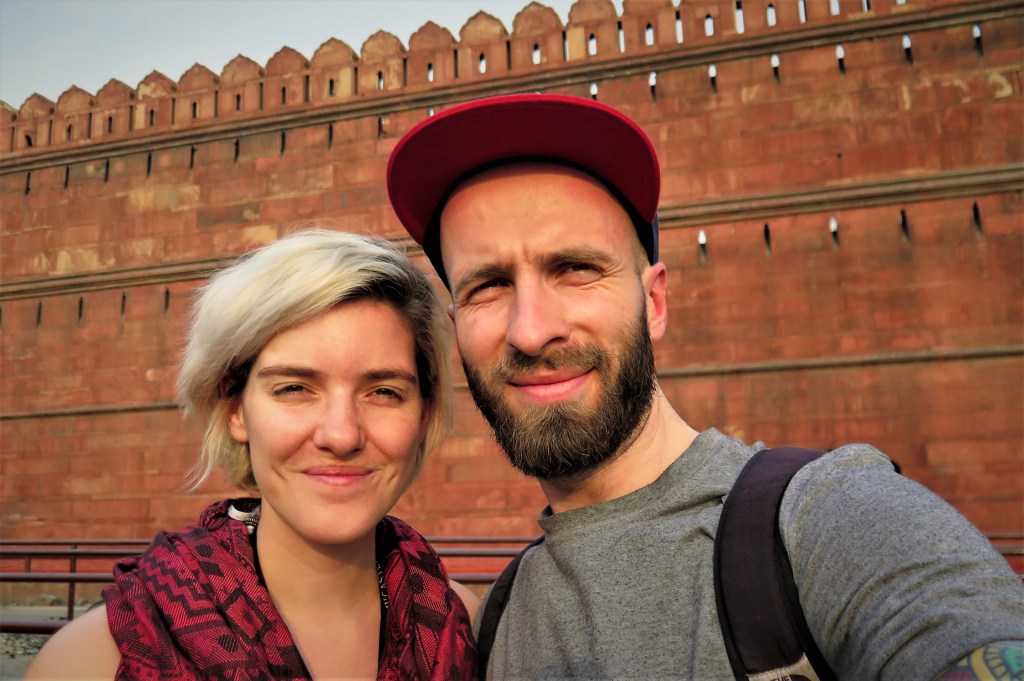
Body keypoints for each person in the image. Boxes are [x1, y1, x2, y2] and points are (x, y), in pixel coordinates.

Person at [386, 94, 1024, 680]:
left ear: (654, 302)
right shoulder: (498, 622)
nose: (530, 331)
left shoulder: (823, 519)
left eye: (576, 268)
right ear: (456, 328)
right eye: (489, 286)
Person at [26, 229, 479, 680]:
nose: (341, 435)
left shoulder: (463, 625)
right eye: (294, 388)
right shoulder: (91, 661)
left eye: (383, 392)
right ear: (235, 411)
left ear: (424, 415)